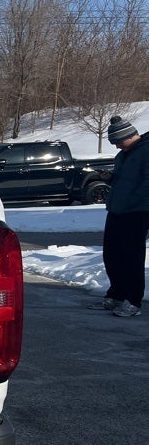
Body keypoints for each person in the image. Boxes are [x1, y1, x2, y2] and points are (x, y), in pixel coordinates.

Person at [88, 115, 149, 317]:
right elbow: (125, 180)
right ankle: (116, 296)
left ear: (129, 136)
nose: (116, 147)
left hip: (137, 212)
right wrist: (111, 178)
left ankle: (133, 301)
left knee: (131, 257)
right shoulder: (124, 155)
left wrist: (132, 200)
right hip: (116, 210)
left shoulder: (146, 151)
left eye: (118, 142)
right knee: (112, 255)